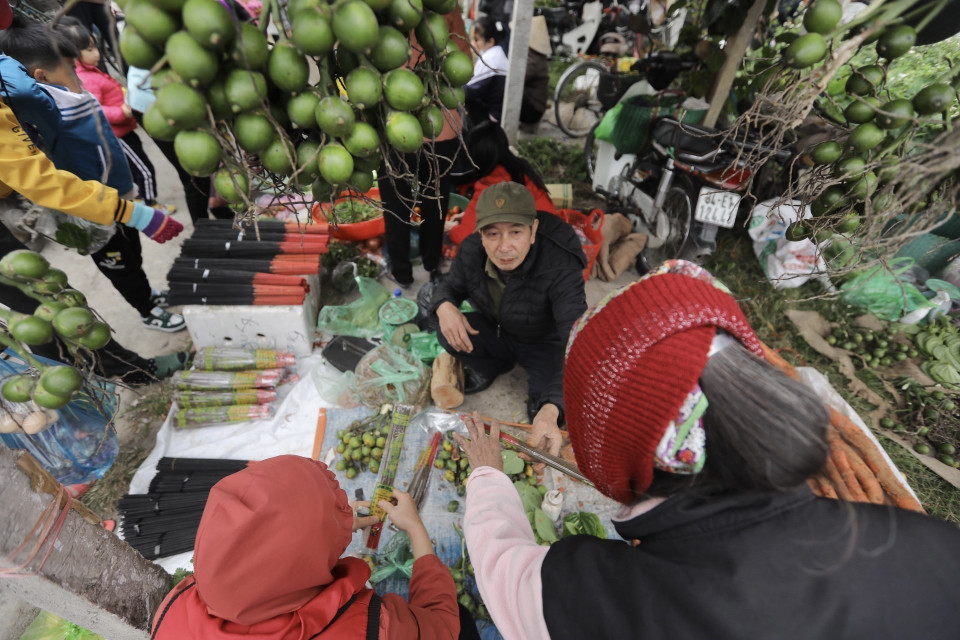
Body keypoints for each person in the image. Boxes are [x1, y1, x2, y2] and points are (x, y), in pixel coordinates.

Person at [454, 261, 960, 640]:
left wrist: (487, 476)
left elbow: (505, 571)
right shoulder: (932, 544)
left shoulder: (608, 600)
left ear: (614, 456)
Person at [0, 24, 186, 383]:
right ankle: (135, 344)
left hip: (102, 198)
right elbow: (42, 181)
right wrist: (129, 212)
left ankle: (141, 305)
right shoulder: (38, 102)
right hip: (88, 210)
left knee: (118, 264)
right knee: (46, 304)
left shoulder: (56, 93)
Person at [151, 455, 478, 640]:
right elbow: (443, 626)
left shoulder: (176, 608)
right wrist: (417, 530)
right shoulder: (370, 626)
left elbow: (263, 552)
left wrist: (329, 529)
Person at [431, 181, 586, 457]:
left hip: (543, 343)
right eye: (493, 234)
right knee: (446, 330)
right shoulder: (471, 250)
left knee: (546, 416)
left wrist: (551, 409)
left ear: (533, 231)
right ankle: (495, 367)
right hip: (497, 329)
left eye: (515, 232)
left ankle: (541, 397)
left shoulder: (560, 264)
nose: (504, 247)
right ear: (481, 233)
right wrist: (444, 305)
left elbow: (577, 343)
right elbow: (449, 285)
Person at [379, 9, 470, 287]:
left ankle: (401, 271)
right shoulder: (445, 7)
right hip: (437, 124)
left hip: (397, 125)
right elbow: (463, 60)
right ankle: (431, 265)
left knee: (396, 204)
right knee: (435, 202)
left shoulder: (383, 8)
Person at [62, 18, 158, 208]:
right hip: (118, 135)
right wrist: (121, 112)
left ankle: (141, 199)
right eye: (89, 49)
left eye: (95, 47)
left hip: (125, 131)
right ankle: (151, 204)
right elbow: (97, 109)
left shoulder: (91, 71)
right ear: (72, 54)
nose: (97, 53)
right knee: (144, 169)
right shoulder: (86, 79)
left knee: (136, 168)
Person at [447, 121, 555, 246]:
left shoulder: (489, 187)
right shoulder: (520, 169)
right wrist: (468, 216)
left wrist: (451, 229)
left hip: (534, 249)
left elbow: (465, 237)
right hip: (551, 236)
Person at [464, 16, 509, 127]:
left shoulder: (491, 60)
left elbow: (469, 90)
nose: (472, 44)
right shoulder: (497, 54)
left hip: (491, 119)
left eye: (476, 40)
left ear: (490, 42)